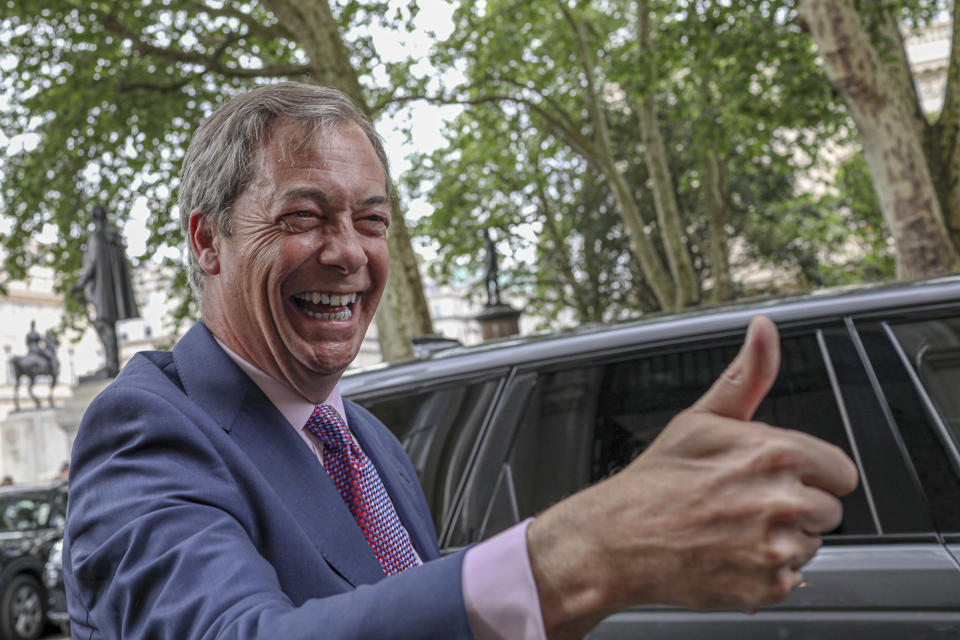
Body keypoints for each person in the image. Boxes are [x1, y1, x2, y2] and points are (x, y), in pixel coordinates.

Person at [63, 82, 858, 640]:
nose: (348, 253)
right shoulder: (144, 427)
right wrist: (582, 552)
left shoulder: (371, 442)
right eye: (305, 216)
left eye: (372, 221)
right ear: (208, 241)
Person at [70, 204, 140, 378]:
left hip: (102, 290)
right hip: (113, 289)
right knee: (109, 325)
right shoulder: (113, 237)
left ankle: (111, 363)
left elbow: (91, 263)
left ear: (93, 218)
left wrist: (79, 284)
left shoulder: (96, 237)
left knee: (104, 324)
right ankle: (112, 363)